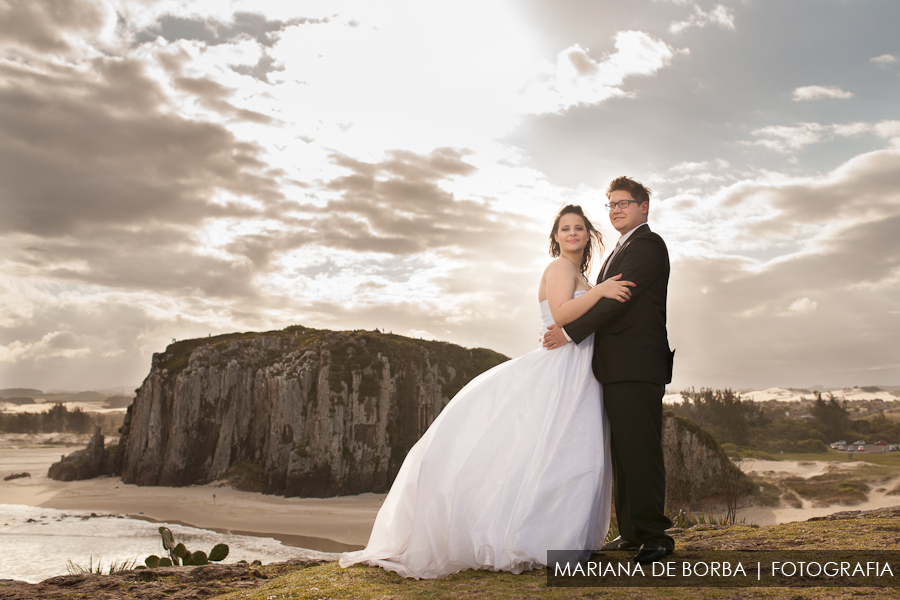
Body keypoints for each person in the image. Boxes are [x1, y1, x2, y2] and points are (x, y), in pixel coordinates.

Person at [339, 205, 635, 579]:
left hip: (576, 370)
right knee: (559, 453)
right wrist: (604, 291)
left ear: (588, 235)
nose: (573, 234)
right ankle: (540, 539)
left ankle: (558, 537)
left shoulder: (577, 272)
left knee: (563, 456)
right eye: (565, 229)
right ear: (555, 236)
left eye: (579, 228)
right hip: (562, 370)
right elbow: (560, 314)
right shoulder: (560, 267)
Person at [543, 176, 676, 564]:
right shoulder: (621, 248)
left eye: (624, 203)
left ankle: (655, 536)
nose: (616, 209)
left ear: (643, 207)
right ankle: (633, 532)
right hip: (616, 367)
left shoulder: (647, 245)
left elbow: (620, 299)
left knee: (641, 449)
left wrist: (569, 331)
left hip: (637, 364)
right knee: (623, 451)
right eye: (611, 204)